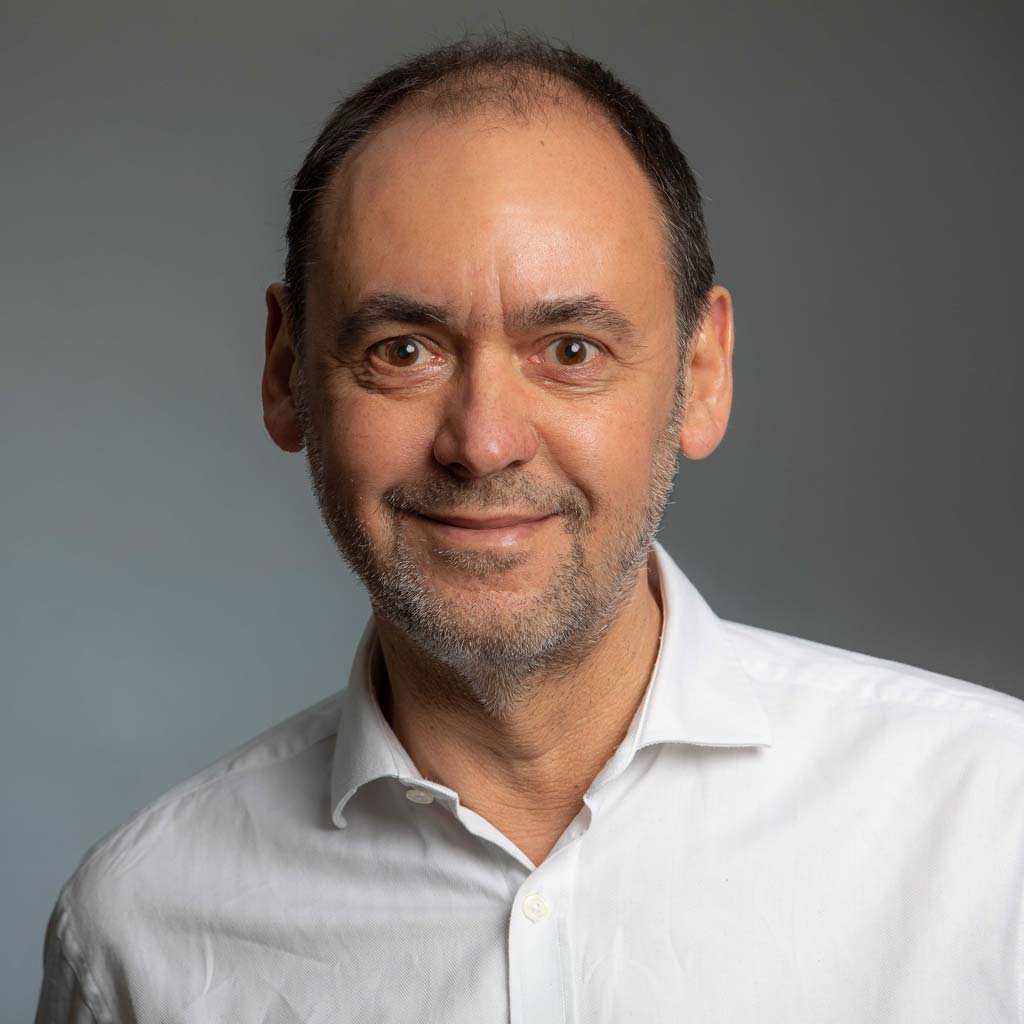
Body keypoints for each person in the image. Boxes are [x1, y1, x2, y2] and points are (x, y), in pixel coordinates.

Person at [35, 32, 1024, 1024]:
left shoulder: (992, 831)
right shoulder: (138, 937)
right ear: (287, 370)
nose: (483, 443)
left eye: (571, 349)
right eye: (405, 350)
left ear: (703, 374)